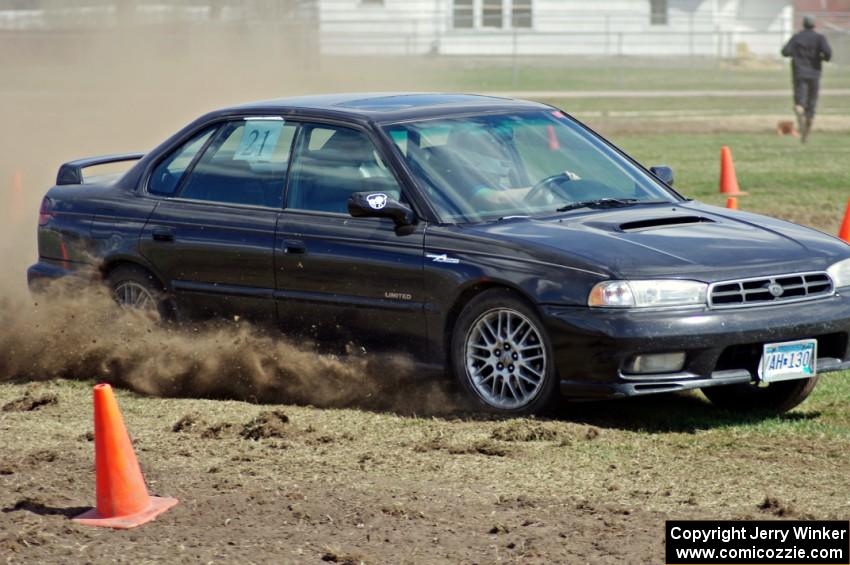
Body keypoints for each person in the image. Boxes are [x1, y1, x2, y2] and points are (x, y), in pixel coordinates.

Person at [781, 15, 832, 143]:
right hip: (814, 73)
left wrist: (796, 54)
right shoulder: (819, 38)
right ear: (814, 25)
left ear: (803, 24)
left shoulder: (797, 38)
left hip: (799, 72)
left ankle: (799, 110)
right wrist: (821, 57)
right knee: (812, 103)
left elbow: (785, 52)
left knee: (800, 101)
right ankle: (807, 132)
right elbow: (828, 54)